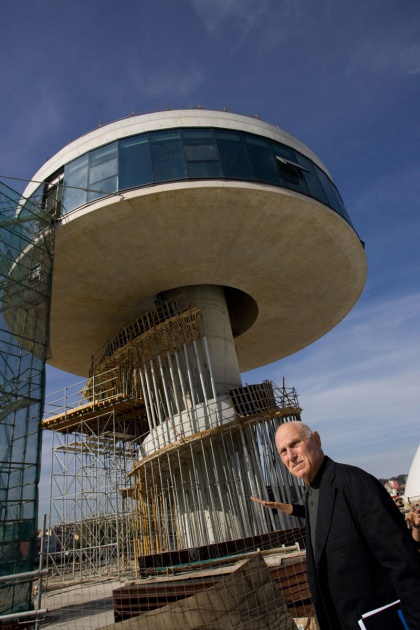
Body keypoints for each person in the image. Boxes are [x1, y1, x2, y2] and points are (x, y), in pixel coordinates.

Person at [267, 421, 420, 630]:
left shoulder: (355, 484)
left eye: (295, 444)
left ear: (317, 440)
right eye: (283, 451)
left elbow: (404, 564)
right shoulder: (312, 496)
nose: (290, 456)